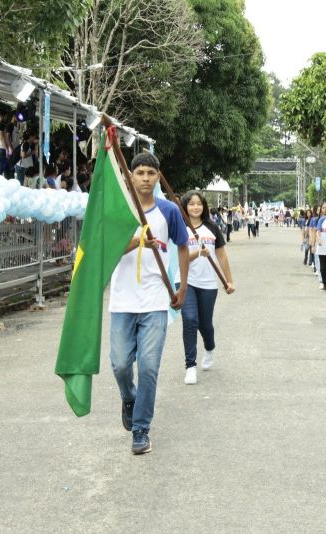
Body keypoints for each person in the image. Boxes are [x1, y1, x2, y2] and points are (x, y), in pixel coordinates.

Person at [109, 152, 189, 455]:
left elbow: (183, 246)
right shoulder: (122, 210)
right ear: (131, 176)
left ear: (158, 177)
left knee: (150, 368)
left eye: (150, 173)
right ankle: (128, 397)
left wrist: (182, 285)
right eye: (140, 172)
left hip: (156, 300)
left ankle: (141, 430)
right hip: (122, 301)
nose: (145, 178)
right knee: (119, 364)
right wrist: (139, 241)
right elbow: (108, 248)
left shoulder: (169, 211)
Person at [179, 191, 235, 385]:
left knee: (205, 324)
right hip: (186, 281)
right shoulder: (180, 228)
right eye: (191, 204)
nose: (196, 207)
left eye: (199, 204)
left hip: (208, 284)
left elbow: (221, 255)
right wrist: (197, 253)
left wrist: (229, 281)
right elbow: (177, 258)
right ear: (185, 207)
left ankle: (209, 348)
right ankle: (190, 366)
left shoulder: (212, 227)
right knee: (190, 320)